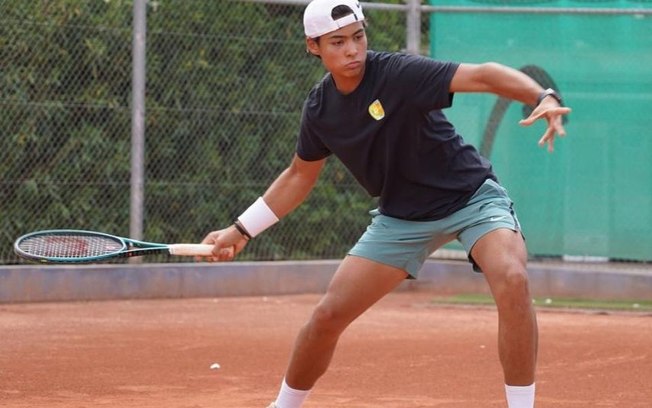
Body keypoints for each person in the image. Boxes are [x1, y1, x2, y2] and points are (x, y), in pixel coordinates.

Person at [201, 0, 571, 407]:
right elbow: (298, 176)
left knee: (512, 278)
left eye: (358, 37)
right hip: (401, 219)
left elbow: (482, 76)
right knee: (327, 317)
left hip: (471, 198)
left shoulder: (397, 73)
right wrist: (240, 230)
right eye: (338, 42)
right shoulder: (321, 109)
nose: (353, 50)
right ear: (314, 46)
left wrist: (543, 94)